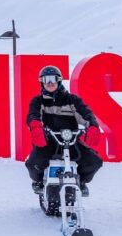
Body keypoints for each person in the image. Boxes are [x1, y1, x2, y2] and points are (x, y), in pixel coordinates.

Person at [25, 65, 104, 196]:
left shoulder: (72, 100)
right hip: (48, 141)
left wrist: (93, 126)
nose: (49, 83)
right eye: (46, 80)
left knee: (95, 161)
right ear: (42, 82)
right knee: (33, 163)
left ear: (59, 80)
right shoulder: (38, 101)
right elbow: (33, 115)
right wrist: (35, 126)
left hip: (71, 140)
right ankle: (38, 182)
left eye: (53, 79)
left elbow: (86, 114)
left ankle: (81, 182)